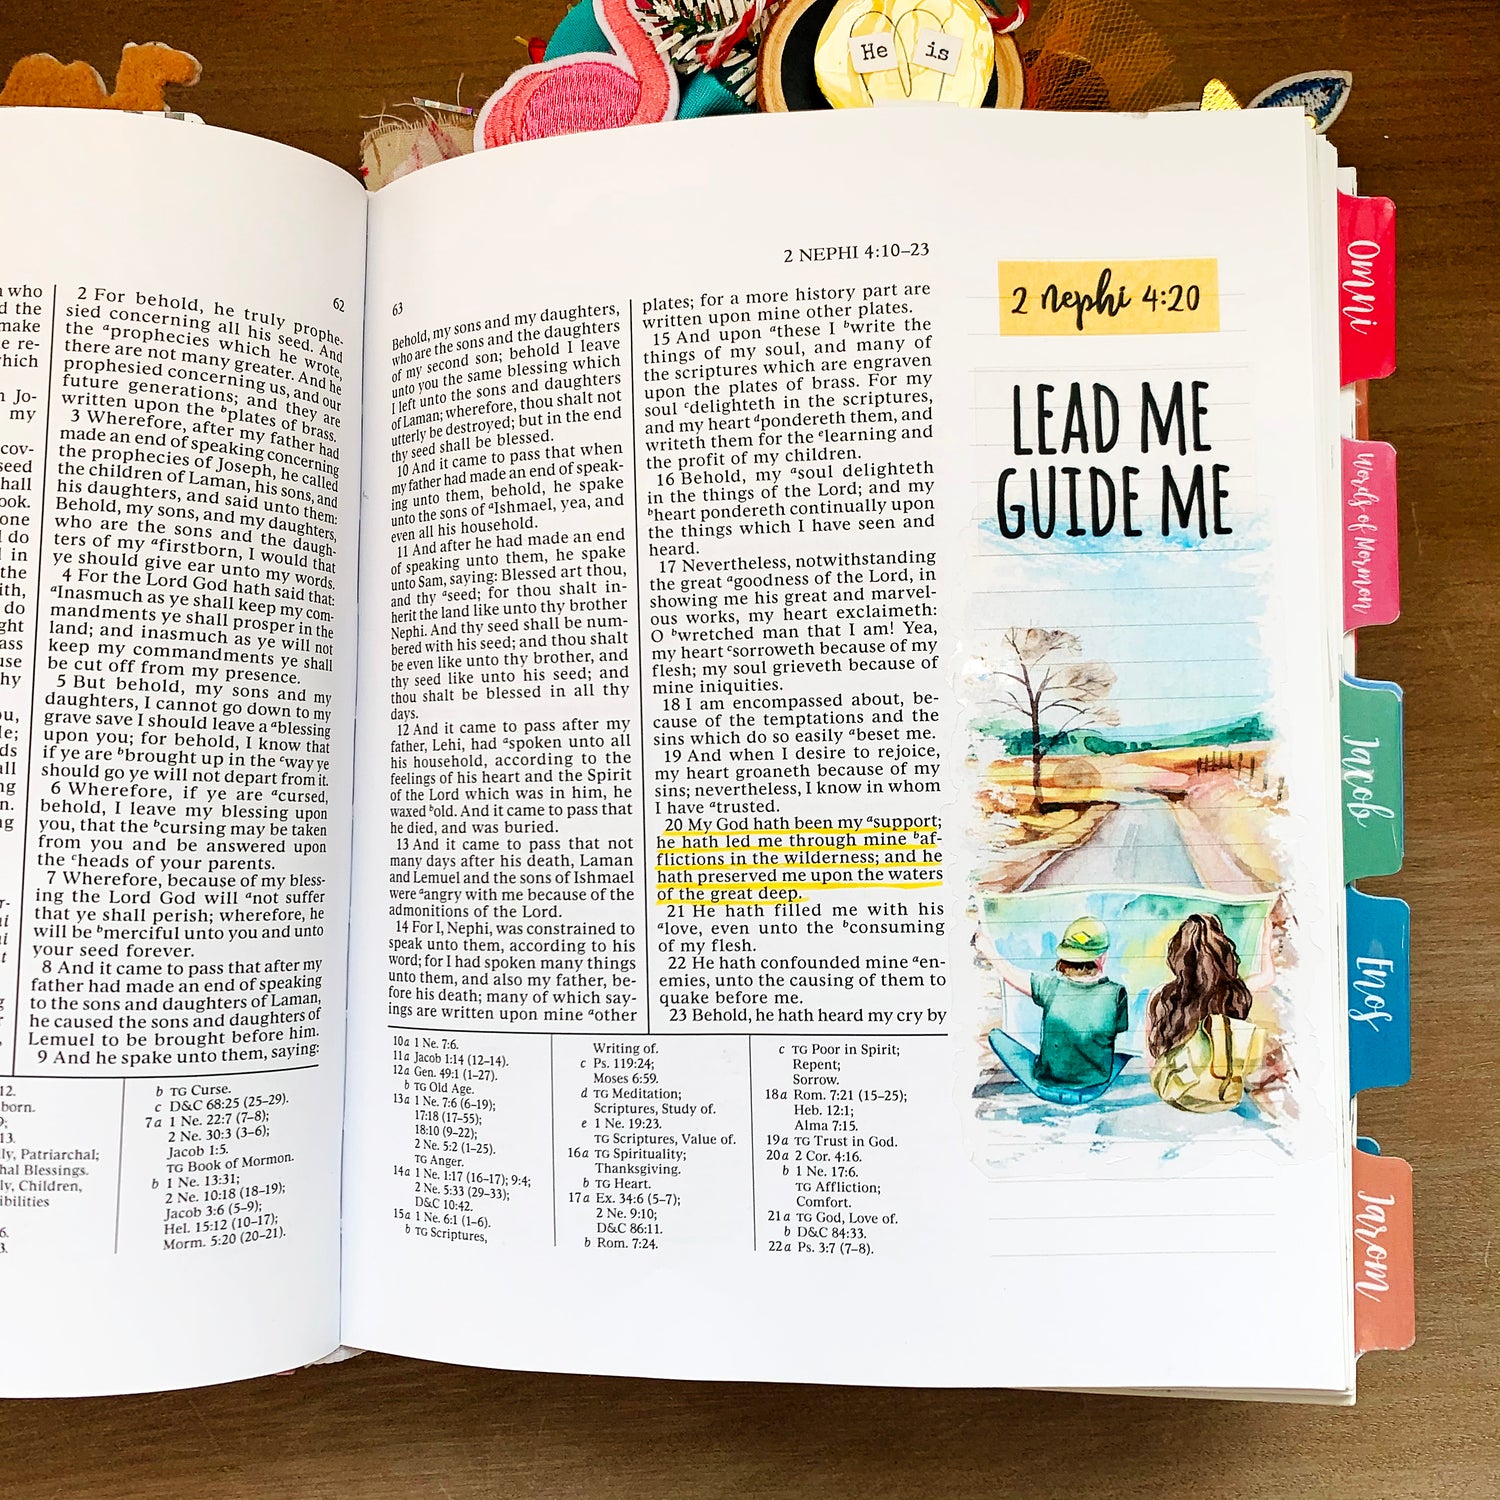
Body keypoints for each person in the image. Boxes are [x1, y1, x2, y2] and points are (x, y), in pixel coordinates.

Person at [979, 916, 1131, 1106]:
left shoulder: (1049, 986)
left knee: (995, 1035)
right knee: (1121, 1054)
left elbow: (1009, 973)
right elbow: (1118, 1030)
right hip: (1094, 1087)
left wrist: (986, 948)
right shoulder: (1116, 993)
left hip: (1045, 1086)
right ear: (1102, 958)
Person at [1145, 912, 1281, 1114]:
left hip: (1173, 1091)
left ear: (1177, 956)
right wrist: (1266, 937)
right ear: (1223, 954)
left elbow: (1151, 1059)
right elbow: (1268, 976)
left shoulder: (1161, 996)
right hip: (1223, 1093)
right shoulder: (1235, 994)